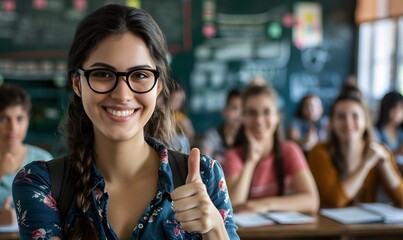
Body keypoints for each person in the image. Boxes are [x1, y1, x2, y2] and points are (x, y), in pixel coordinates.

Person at [12, 4, 238, 240]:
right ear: (78, 84)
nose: (122, 94)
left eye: (140, 75)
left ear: (158, 86)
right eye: (102, 74)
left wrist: (214, 228)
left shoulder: (205, 175)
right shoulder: (39, 184)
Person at [222, 85, 319, 214]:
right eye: (252, 113)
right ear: (243, 117)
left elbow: (312, 201)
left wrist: (263, 205)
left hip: (281, 232)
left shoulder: (289, 150)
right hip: (246, 234)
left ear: (277, 117)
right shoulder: (233, 156)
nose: (259, 120)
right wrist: (250, 161)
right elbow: (232, 206)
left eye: (267, 112)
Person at [307, 89, 403, 208]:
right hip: (329, 225)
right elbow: (336, 200)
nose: (348, 123)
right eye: (341, 117)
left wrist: (386, 166)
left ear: (365, 122)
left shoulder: (380, 151)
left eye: (355, 116)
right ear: (331, 123)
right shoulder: (319, 151)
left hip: (367, 225)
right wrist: (366, 164)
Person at [0, 83, 53, 226]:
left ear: (28, 120)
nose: (13, 127)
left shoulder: (43, 161)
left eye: (20, 118)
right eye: (4, 119)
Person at [199, 88, 242, 163]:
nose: (239, 115)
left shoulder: (247, 139)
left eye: (243, 111)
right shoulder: (212, 137)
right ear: (224, 110)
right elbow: (204, 162)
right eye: (234, 108)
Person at [168, 80, 194, 154]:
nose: (178, 104)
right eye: (175, 100)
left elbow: (191, 136)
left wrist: (187, 128)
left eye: (181, 101)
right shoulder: (159, 118)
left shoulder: (182, 117)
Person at [375, 91, 403, 159]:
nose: (397, 112)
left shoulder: (400, 133)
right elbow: (376, 160)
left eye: (401, 108)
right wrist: (396, 153)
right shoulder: (376, 133)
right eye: (394, 108)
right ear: (386, 108)